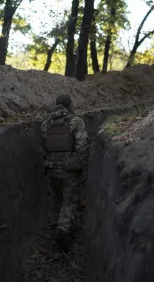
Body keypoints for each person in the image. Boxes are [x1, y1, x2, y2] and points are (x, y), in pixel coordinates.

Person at [41, 94, 89, 252]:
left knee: (58, 196)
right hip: (69, 168)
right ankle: (63, 229)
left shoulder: (46, 123)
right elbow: (82, 145)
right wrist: (82, 165)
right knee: (69, 201)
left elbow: (44, 146)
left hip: (51, 168)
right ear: (69, 105)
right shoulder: (76, 121)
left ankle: (55, 222)